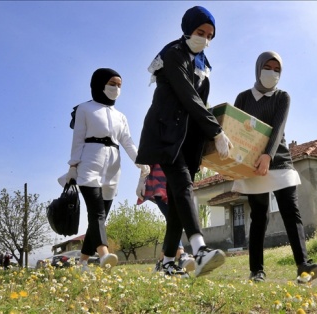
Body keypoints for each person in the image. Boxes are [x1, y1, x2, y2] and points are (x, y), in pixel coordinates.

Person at [135, 6, 232, 277]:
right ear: (188, 28)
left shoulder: (204, 64)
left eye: (210, 35)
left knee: (179, 200)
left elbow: (202, 103)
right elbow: (188, 96)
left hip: (189, 139)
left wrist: (213, 131)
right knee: (183, 185)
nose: (205, 39)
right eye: (200, 32)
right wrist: (216, 131)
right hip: (166, 135)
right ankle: (200, 250)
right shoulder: (173, 54)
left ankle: (166, 262)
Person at [231, 51, 317, 283]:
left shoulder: (283, 97)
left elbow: (278, 129)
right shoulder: (243, 98)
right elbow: (234, 130)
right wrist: (232, 163)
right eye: (268, 67)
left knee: (291, 212)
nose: (272, 72)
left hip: (279, 160)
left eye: (277, 69)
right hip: (252, 165)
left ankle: (303, 264)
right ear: (258, 68)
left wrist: (268, 156)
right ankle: (257, 271)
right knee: (259, 216)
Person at [64, 67, 150, 272]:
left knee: (102, 215)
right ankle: (104, 254)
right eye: (112, 84)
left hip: (113, 165)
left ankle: (82, 262)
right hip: (89, 161)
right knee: (96, 213)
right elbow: (77, 139)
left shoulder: (120, 116)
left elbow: (127, 141)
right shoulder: (85, 109)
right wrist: (73, 166)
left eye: (119, 85)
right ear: (99, 84)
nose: (116, 88)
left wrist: (141, 162)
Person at [136, 164, 195, 272]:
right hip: (159, 185)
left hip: (175, 183)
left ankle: (161, 260)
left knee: (172, 222)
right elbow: (147, 157)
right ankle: (181, 255)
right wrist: (141, 180)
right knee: (174, 219)